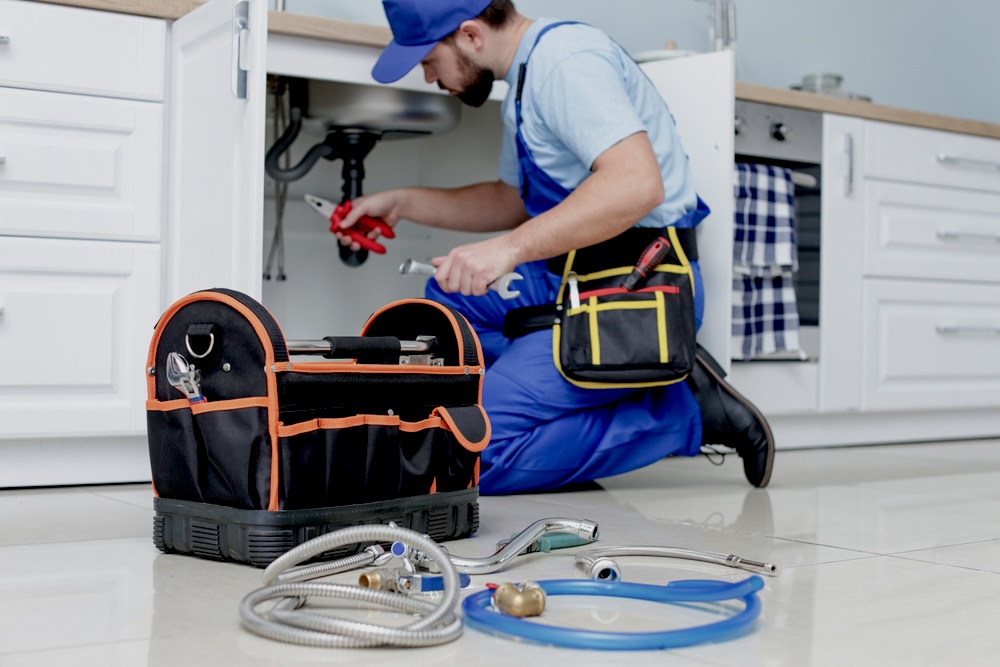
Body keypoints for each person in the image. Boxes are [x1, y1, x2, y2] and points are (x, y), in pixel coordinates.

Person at [339, 0, 774, 494]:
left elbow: (636, 185)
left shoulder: (565, 62)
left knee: (473, 456)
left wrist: (506, 251)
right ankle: (543, 402)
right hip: (572, 275)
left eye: (428, 59)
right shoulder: (527, 75)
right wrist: (402, 202)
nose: (428, 76)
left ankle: (687, 412)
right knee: (447, 305)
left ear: (471, 36)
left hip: (636, 285)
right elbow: (512, 201)